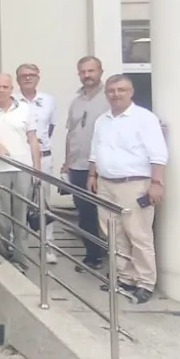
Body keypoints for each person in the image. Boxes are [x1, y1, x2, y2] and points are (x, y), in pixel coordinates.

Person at [88, 75, 168, 304]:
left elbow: (158, 153)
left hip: (134, 185)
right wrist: (92, 175)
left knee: (139, 235)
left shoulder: (145, 118)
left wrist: (157, 182)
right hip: (105, 184)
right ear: (106, 94)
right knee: (114, 234)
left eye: (121, 90)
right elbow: (95, 150)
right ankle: (124, 277)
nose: (116, 94)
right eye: (111, 91)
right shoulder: (102, 120)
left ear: (131, 92)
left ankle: (145, 282)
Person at [0, 74, 42, 261]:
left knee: (21, 214)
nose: (1, 90)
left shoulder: (25, 109)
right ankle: (3, 252)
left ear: (12, 89)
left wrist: (37, 169)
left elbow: (33, 139)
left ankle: (20, 256)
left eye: (5, 87)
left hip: (22, 168)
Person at [63, 55, 110, 272]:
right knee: (85, 213)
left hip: (103, 167)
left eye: (91, 71)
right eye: (82, 72)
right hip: (78, 166)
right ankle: (93, 255)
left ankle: (115, 258)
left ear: (100, 71)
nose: (86, 75)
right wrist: (67, 162)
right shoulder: (76, 101)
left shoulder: (110, 97)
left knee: (106, 214)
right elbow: (71, 133)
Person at [14, 62, 58, 262]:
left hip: (44, 157)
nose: (28, 78)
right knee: (19, 200)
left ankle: (47, 246)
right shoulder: (12, 100)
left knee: (43, 202)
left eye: (32, 75)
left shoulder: (48, 100)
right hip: (20, 157)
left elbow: (51, 128)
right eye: (23, 75)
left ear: (38, 78)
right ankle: (18, 242)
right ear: (17, 79)